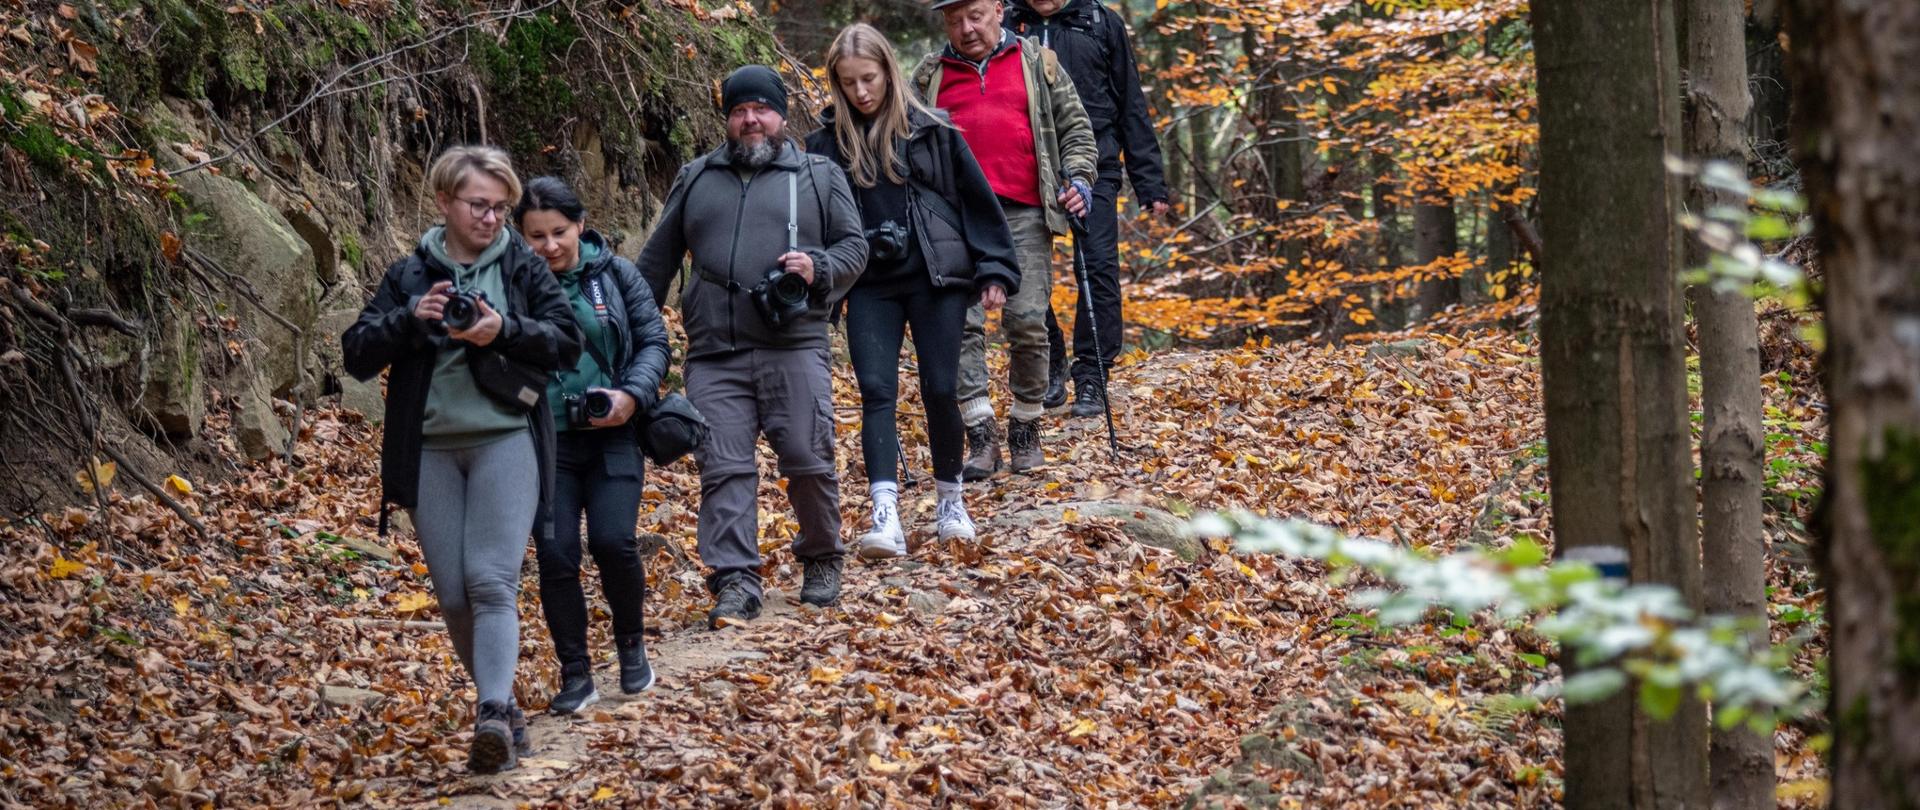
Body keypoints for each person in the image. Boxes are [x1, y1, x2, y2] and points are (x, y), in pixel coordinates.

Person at [341, 146, 582, 773]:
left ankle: (493, 712)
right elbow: (357, 354)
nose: (492, 219)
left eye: (501, 208)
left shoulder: (524, 270)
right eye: (479, 205)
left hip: (506, 437)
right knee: (451, 593)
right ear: (444, 202)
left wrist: (500, 329)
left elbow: (566, 342)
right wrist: (408, 320)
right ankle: (502, 710)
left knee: (490, 579)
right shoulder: (408, 275)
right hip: (429, 451)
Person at [635, 65, 868, 628]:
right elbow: (654, 265)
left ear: (782, 116)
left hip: (795, 343)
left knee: (809, 459)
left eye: (761, 109)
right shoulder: (695, 177)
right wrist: (630, 329)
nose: (751, 120)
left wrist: (819, 267)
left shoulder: (817, 175)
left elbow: (855, 247)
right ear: (727, 119)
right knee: (723, 468)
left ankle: (821, 557)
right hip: (714, 352)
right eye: (740, 111)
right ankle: (735, 579)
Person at [805, 24, 1022, 558]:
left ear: (889, 72)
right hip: (868, 285)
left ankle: (951, 501)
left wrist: (994, 270)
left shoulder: (933, 129)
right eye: (849, 82)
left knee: (940, 388)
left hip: (935, 280)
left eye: (870, 79)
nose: (861, 92)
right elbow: (808, 222)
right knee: (876, 391)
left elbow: (977, 202)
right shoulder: (824, 145)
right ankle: (886, 515)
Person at [914, 0, 1098, 479]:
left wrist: (1079, 179)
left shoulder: (1039, 63)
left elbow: (1077, 130)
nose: (966, 28)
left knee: (1027, 322)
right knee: (960, 327)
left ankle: (1025, 426)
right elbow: (904, 139)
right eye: (954, 20)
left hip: (1025, 212)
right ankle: (980, 435)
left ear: (998, 9)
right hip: (953, 221)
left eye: (975, 15)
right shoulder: (929, 76)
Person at [514, 177, 670, 713]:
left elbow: (654, 340)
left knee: (612, 541)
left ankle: (632, 644)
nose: (549, 246)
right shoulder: (512, 285)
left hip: (614, 436)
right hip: (545, 441)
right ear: (520, 236)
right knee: (556, 556)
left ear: (580, 224)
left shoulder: (616, 274)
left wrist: (631, 394)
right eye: (536, 236)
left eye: (559, 232)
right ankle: (575, 672)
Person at [1005, 0, 1171, 416]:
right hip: (1025, 167)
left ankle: (1093, 374)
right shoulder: (1004, 23)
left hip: (1096, 164)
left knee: (1096, 268)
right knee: (1020, 269)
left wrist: (1149, 181)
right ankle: (1051, 356)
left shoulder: (1100, 23)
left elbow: (1130, 103)